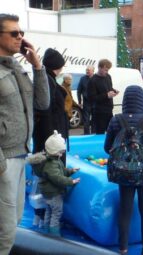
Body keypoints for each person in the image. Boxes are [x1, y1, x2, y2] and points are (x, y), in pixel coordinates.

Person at [0, 13, 50, 254]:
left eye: (21, 33)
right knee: (5, 230)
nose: (20, 37)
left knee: (15, 219)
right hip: (4, 159)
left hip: (20, 154)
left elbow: (42, 103)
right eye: (14, 33)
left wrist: (37, 66)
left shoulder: (17, 67)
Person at [104, 85, 143, 255]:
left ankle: (123, 249)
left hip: (123, 173)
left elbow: (107, 148)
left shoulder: (116, 120)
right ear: (142, 101)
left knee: (125, 210)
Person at [33, 48, 69, 228]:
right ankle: (46, 219)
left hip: (49, 136)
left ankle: (41, 217)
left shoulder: (49, 80)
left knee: (43, 176)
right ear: (57, 66)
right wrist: (54, 143)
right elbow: (47, 113)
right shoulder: (48, 82)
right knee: (49, 174)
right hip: (50, 138)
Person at [37, 131, 80, 236]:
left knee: (49, 211)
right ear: (54, 151)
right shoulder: (51, 164)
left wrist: (70, 171)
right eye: (60, 152)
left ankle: (46, 230)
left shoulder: (53, 160)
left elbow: (61, 171)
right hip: (53, 194)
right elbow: (57, 178)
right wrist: (71, 181)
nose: (62, 154)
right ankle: (54, 234)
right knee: (56, 213)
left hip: (47, 193)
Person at [88, 59, 119, 134]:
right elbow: (92, 98)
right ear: (99, 68)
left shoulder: (108, 76)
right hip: (99, 113)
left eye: (108, 70)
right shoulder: (93, 80)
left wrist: (114, 91)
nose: (107, 72)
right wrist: (107, 95)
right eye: (105, 70)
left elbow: (108, 88)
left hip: (109, 110)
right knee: (100, 134)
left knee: (111, 133)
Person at [77, 65, 95, 134]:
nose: (87, 71)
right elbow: (79, 91)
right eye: (86, 70)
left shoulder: (96, 78)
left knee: (94, 120)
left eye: (88, 70)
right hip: (86, 103)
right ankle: (86, 134)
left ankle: (93, 134)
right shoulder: (83, 79)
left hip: (95, 103)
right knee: (86, 121)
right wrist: (79, 101)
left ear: (93, 71)